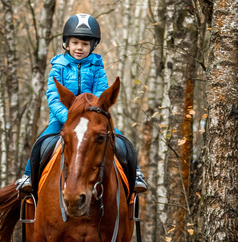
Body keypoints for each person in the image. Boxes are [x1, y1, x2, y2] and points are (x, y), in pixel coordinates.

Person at [16, 13, 147, 194]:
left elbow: (101, 94)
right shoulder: (58, 66)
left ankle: (136, 175)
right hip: (62, 119)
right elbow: (53, 98)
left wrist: (93, 117)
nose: (80, 48)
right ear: (67, 43)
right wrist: (69, 118)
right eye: (76, 42)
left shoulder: (97, 68)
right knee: (42, 142)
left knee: (122, 141)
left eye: (85, 44)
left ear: (92, 46)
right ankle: (29, 175)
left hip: (92, 121)